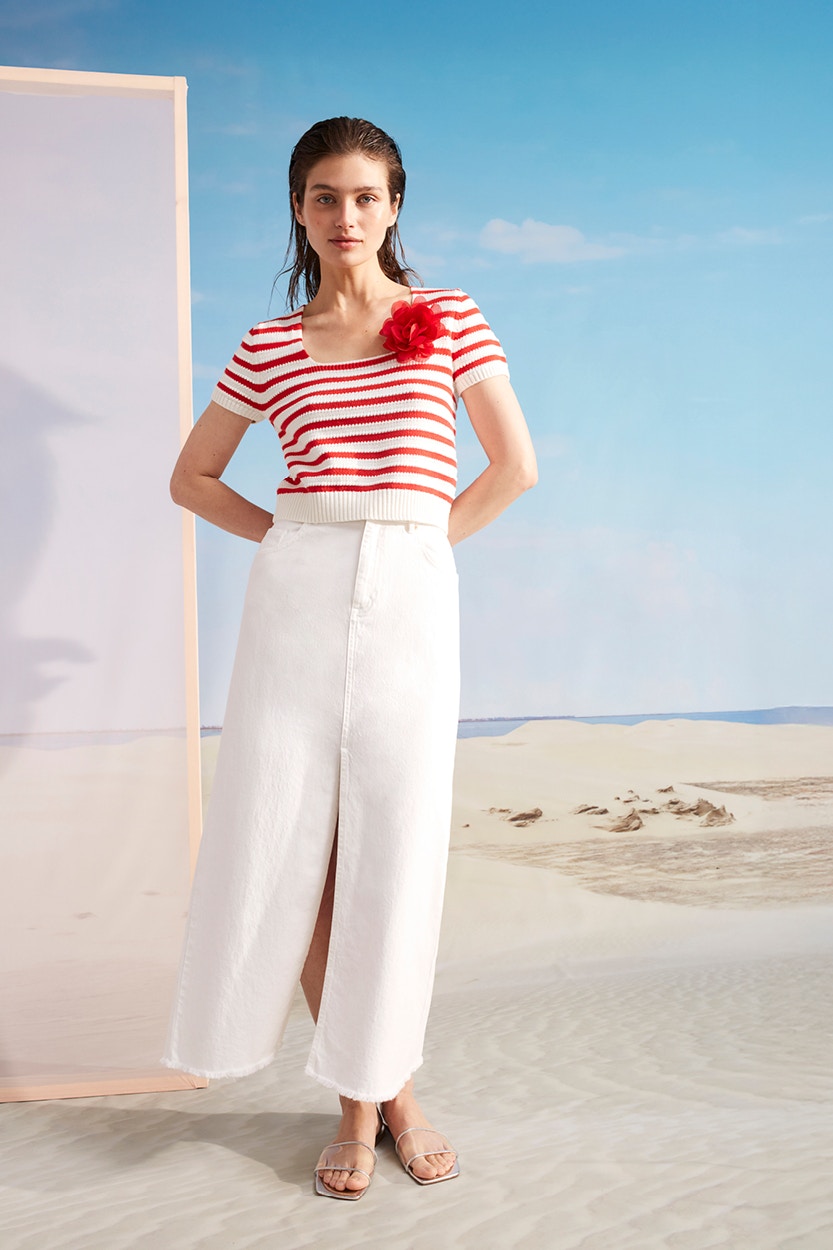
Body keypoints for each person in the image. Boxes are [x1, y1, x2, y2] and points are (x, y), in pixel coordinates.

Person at [160, 116, 537, 1200]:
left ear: (394, 206)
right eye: (324, 196)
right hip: (295, 602)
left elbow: (512, 466)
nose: (345, 215)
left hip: (412, 597)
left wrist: (416, 546)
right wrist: (292, 538)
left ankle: (388, 1092)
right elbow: (191, 477)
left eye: (365, 196)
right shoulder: (268, 342)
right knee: (298, 849)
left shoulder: (448, 317)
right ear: (297, 208)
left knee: (393, 846)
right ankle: (361, 1104)